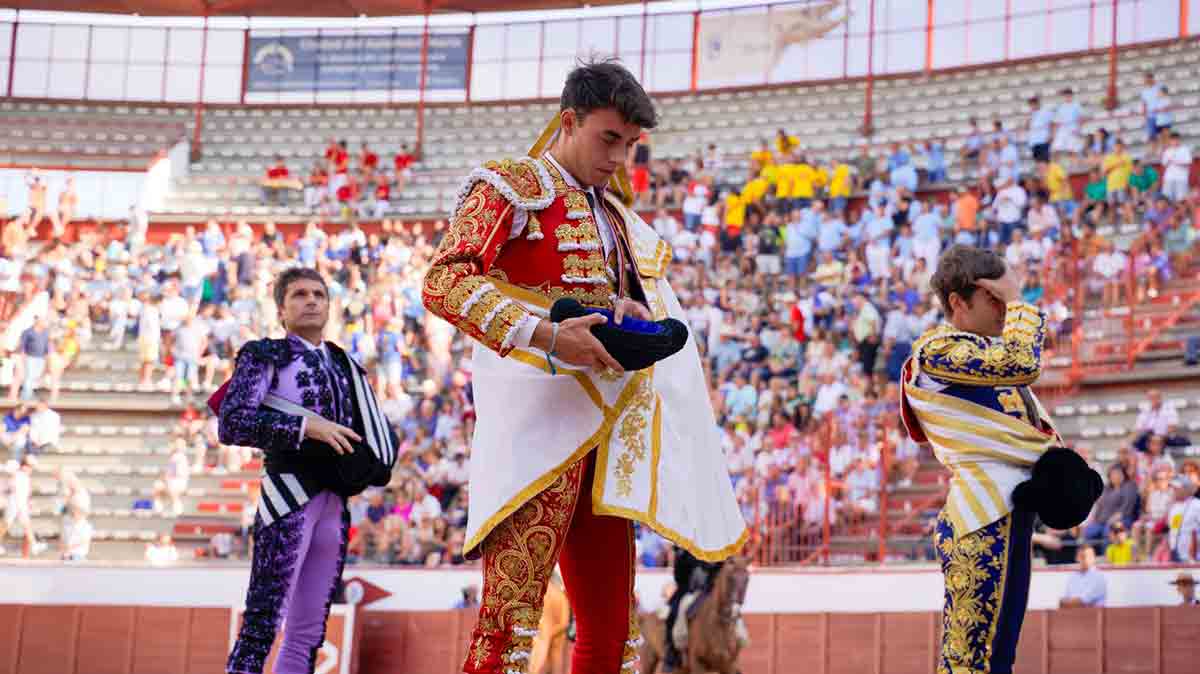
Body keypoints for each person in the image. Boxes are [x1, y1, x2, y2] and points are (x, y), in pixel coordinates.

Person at [421, 59, 746, 674]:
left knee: (613, 633)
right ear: (567, 121)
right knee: (511, 628)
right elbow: (443, 282)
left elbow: (613, 303)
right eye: (608, 139)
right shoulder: (508, 184)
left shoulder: (615, 218)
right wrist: (546, 336)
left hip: (604, 436)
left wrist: (627, 314)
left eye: (629, 144)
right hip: (534, 435)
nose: (620, 158)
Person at [222, 267, 397, 674]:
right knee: (263, 621)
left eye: (319, 294)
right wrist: (305, 426)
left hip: (334, 500)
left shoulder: (343, 363)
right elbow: (232, 422)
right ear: (282, 309)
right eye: (300, 294)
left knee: (309, 630)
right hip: (288, 494)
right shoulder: (263, 354)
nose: (312, 300)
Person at [900, 245, 1061, 674]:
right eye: (996, 298)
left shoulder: (982, 360)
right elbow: (1022, 360)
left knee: (996, 658)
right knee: (972, 661)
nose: (1006, 309)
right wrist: (1021, 302)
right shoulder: (935, 351)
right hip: (980, 518)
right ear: (958, 302)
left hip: (1005, 513)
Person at [662, 544, 724, 670]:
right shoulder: (684, 552)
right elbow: (679, 577)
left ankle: (733, 647)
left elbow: (719, 570)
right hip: (688, 590)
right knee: (672, 614)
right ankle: (672, 653)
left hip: (708, 591)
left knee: (731, 611)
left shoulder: (716, 548)